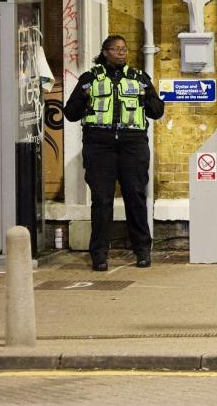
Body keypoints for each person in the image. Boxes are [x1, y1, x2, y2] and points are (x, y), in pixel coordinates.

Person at [64, 35, 165, 271]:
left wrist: (145, 95)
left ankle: (142, 251)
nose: (121, 52)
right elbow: (70, 113)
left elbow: (157, 111)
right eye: (116, 49)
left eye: (124, 48)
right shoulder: (89, 79)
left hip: (133, 145)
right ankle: (99, 254)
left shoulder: (139, 78)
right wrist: (84, 97)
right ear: (105, 52)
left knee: (136, 197)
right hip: (99, 147)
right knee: (102, 200)